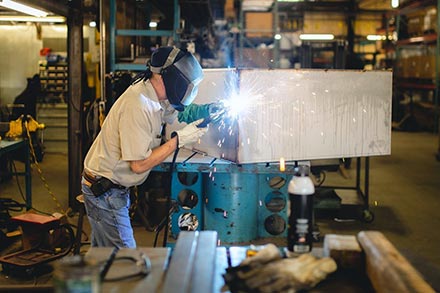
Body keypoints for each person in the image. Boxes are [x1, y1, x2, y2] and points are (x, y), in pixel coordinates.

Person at [81, 46, 216, 248]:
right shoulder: (139, 104)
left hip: (112, 187)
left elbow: (180, 113)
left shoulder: (155, 95)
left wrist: (209, 110)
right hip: (105, 191)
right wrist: (180, 140)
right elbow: (139, 165)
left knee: (104, 258)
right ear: (170, 78)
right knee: (126, 259)